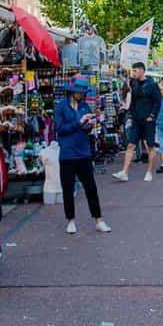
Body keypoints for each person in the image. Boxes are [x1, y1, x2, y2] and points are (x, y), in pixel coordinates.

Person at [53, 77, 111, 235]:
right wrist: (79, 122)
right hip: (67, 153)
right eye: (80, 92)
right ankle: (70, 220)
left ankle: (98, 219)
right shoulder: (61, 107)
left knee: (91, 187)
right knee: (68, 188)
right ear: (72, 92)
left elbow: (84, 129)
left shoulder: (85, 106)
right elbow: (60, 129)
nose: (82, 95)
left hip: (83, 151)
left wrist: (89, 125)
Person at [113, 62, 160, 182]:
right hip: (136, 119)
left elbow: (157, 102)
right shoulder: (133, 84)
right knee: (130, 145)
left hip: (148, 120)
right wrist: (130, 115)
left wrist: (152, 116)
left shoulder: (152, 84)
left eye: (135, 71)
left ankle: (149, 172)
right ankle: (124, 172)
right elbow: (133, 101)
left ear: (142, 71)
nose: (133, 73)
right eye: (132, 70)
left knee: (149, 146)